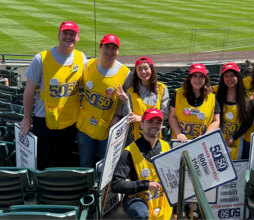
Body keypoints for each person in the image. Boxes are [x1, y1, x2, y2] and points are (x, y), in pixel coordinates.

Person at [20, 21, 88, 170]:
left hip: (69, 120)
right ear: (58, 35)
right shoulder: (41, 58)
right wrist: (26, 118)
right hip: (44, 119)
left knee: (64, 160)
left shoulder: (81, 57)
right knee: (43, 161)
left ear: (78, 38)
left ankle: (60, 190)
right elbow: (29, 90)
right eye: (65, 33)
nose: (69, 37)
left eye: (73, 34)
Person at [76, 34, 130, 168]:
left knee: (106, 168)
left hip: (109, 128)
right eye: (107, 47)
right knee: (85, 164)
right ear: (100, 48)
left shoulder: (126, 73)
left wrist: (119, 116)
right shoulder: (87, 65)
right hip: (86, 126)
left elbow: (128, 101)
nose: (110, 51)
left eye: (114, 48)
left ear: (118, 51)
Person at [111, 108, 172, 219]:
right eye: (150, 122)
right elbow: (116, 185)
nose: (155, 125)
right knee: (141, 214)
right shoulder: (129, 152)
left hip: (161, 199)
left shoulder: (167, 147)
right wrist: (145, 185)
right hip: (137, 197)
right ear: (142, 125)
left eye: (158, 122)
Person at [116, 57, 170, 146]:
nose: (143, 72)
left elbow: (165, 113)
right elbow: (129, 117)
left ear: (152, 69)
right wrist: (125, 101)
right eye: (139, 69)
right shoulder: (131, 92)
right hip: (136, 138)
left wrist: (142, 118)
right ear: (136, 73)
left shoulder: (162, 88)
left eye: (146, 68)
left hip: (155, 137)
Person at [169, 63, 220, 142]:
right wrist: (178, 133)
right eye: (194, 75)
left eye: (201, 76)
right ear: (189, 78)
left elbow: (216, 120)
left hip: (202, 142)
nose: (197, 79)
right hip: (180, 142)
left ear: (205, 79)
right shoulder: (178, 93)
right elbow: (172, 116)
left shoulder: (212, 97)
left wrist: (206, 135)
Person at [214, 62, 254, 160]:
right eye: (226, 76)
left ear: (238, 76)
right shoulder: (216, 96)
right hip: (217, 139)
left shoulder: (248, 97)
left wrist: (234, 137)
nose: (229, 79)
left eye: (233, 75)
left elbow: (249, 121)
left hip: (237, 140)